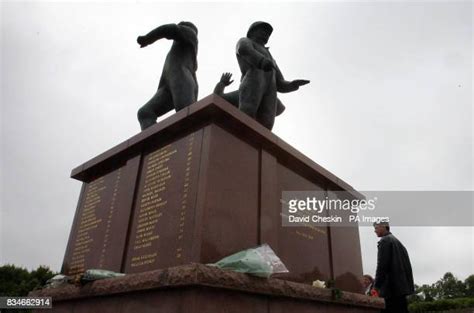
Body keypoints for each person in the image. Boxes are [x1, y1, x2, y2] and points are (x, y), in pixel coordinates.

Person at [236, 22, 309, 130]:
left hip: (271, 89)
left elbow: (279, 82)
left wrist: (292, 85)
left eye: (268, 33)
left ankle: (259, 145)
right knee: (247, 114)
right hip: (253, 81)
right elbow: (244, 50)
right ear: (252, 32)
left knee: (267, 124)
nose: (266, 34)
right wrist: (261, 61)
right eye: (263, 30)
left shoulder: (270, 57)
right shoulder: (245, 41)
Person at [136, 22, 198, 130]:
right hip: (168, 86)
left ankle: (194, 143)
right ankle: (157, 145)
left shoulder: (189, 33)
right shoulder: (175, 50)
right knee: (145, 113)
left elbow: (170, 28)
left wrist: (148, 38)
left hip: (182, 81)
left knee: (186, 117)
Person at [373, 222, 415, 313]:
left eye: (376, 228)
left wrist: (376, 286)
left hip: (390, 289)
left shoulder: (385, 241)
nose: (374, 231)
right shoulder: (398, 243)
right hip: (401, 289)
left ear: (384, 227)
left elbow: (382, 266)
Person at [213, 72, 286, 116]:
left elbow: (217, 98)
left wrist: (222, 83)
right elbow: (280, 108)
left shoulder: (243, 93)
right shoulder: (269, 96)